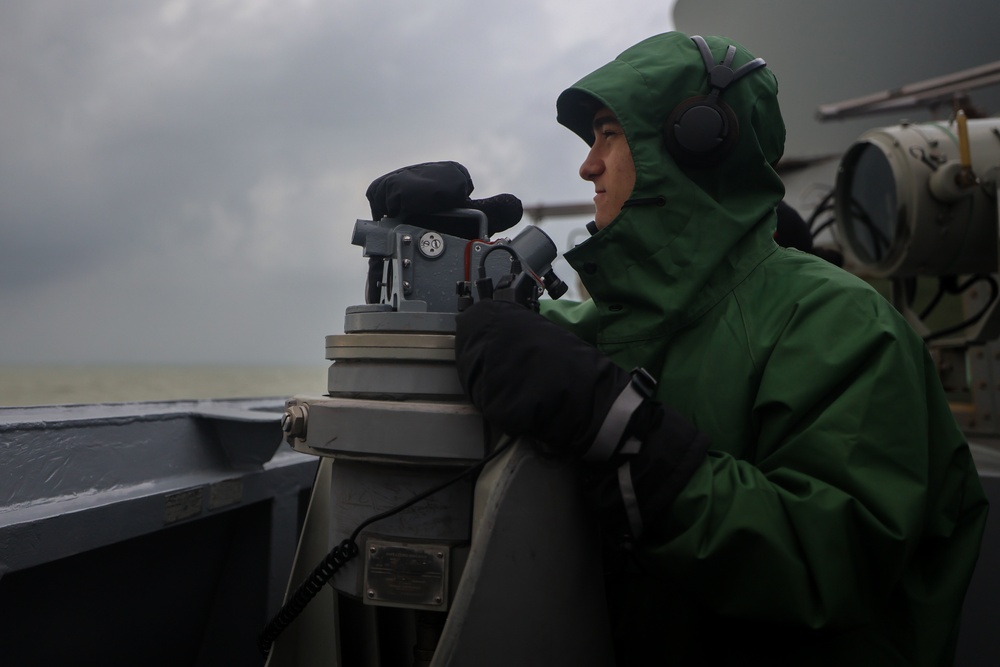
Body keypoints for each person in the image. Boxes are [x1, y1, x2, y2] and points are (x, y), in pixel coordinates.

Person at [453, 32, 988, 665]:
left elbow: (827, 559)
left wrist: (625, 437)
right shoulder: (610, 322)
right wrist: (442, 259)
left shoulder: (840, 324)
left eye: (608, 134)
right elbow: (534, 351)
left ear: (695, 140)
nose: (587, 165)